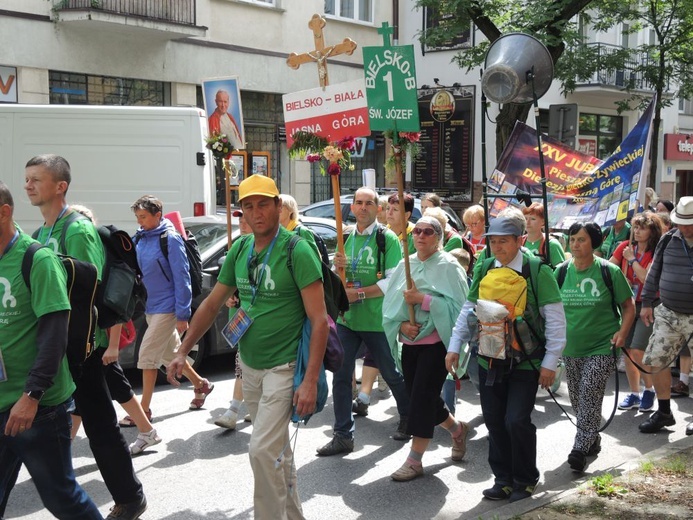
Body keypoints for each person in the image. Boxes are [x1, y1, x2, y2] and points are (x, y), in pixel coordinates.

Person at [168, 174, 328, 519]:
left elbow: (319, 321)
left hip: (284, 368)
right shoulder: (239, 249)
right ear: (241, 212)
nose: (256, 213)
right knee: (275, 453)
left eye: (263, 204)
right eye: (248, 207)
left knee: (260, 451)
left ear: (277, 207)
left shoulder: (296, 250)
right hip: (250, 365)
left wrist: (310, 380)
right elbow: (212, 304)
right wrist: (183, 350)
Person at [25, 154, 147, 520]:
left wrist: (101, 346)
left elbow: (89, 290)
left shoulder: (76, 230)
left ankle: (130, 497)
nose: (28, 185)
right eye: (26, 178)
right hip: (56, 347)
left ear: (60, 186)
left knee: (100, 427)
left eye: (36, 179)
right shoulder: (41, 232)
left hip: (81, 349)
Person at [0, 181, 102, 520]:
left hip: (36, 407)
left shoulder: (36, 259)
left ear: (4, 213)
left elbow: (54, 334)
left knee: (62, 499)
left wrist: (32, 395)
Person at [447, 215, 567, 503]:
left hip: (526, 361)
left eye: (503, 241)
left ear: (519, 240)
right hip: (489, 358)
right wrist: (454, 346)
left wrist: (550, 363)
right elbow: (469, 308)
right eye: (493, 241)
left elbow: (555, 320)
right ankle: (502, 479)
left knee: (516, 420)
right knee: (494, 420)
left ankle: (525, 478)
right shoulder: (485, 266)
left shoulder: (537, 270)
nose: (497, 246)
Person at [317, 187, 411, 456]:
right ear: (352, 208)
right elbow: (336, 278)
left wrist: (358, 293)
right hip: (348, 320)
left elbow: (392, 280)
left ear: (378, 209)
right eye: (358, 203)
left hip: (377, 320)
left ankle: (408, 416)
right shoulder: (345, 237)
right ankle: (343, 434)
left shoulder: (387, 239)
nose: (363, 207)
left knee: (391, 372)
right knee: (341, 376)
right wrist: (337, 268)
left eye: (369, 203)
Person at [68, 204, 161, 456]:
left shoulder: (98, 251)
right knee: (83, 392)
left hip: (102, 338)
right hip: (94, 336)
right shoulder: (94, 247)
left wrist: (112, 346)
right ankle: (65, 446)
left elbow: (114, 302)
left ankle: (147, 431)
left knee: (115, 385)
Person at [382, 217, 470, 481]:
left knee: (420, 399)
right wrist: (400, 328)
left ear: (439, 237)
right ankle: (457, 430)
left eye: (428, 231)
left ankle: (414, 460)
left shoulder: (449, 267)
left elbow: (461, 310)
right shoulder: (404, 265)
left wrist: (424, 300)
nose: (420, 235)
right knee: (424, 397)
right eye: (417, 231)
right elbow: (390, 307)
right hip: (410, 345)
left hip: (437, 345)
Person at [558, 222, 635, 472]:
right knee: (578, 401)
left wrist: (622, 333)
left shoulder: (608, 271)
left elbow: (628, 305)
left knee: (590, 394)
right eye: (572, 239)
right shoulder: (559, 272)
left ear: (593, 242)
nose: (576, 244)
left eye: (581, 239)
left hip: (603, 346)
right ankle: (593, 439)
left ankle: (579, 448)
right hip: (570, 348)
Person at [130, 195, 215, 419]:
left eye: (144, 217)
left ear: (158, 215)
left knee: (147, 355)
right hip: (151, 305)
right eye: (138, 217)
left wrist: (183, 313)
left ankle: (143, 410)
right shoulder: (140, 238)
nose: (140, 221)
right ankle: (200, 384)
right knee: (170, 354)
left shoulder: (171, 239)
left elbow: (182, 279)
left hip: (168, 306)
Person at [638, 197, 693, 436]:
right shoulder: (668, 239)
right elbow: (655, 270)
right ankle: (663, 412)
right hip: (668, 311)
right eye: (681, 222)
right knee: (655, 361)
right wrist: (647, 302)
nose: (685, 228)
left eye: (689, 223)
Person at [610, 212, 663, 413]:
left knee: (638, 350)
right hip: (627, 304)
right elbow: (609, 269)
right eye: (635, 226)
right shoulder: (624, 246)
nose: (637, 231)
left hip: (648, 304)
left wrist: (632, 260)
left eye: (642, 227)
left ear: (652, 231)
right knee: (626, 350)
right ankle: (634, 393)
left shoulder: (656, 251)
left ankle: (649, 389)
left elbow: (647, 280)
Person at [214, 209, 252, 430]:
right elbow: (228, 281)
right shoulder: (237, 248)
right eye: (240, 219)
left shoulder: (266, 248)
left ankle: (237, 409)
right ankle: (235, 409)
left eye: (246, 218)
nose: (243, 222)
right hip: (240, 317)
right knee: (242, 363)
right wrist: (230, 295)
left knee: (251, 365)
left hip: (260, 317)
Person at [521, 202, 566, 267]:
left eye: (533, 219)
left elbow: (560, 272)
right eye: (525, 218)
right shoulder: (519, 242)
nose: (527, 222)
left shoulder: (551, 244)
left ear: (543, 222)